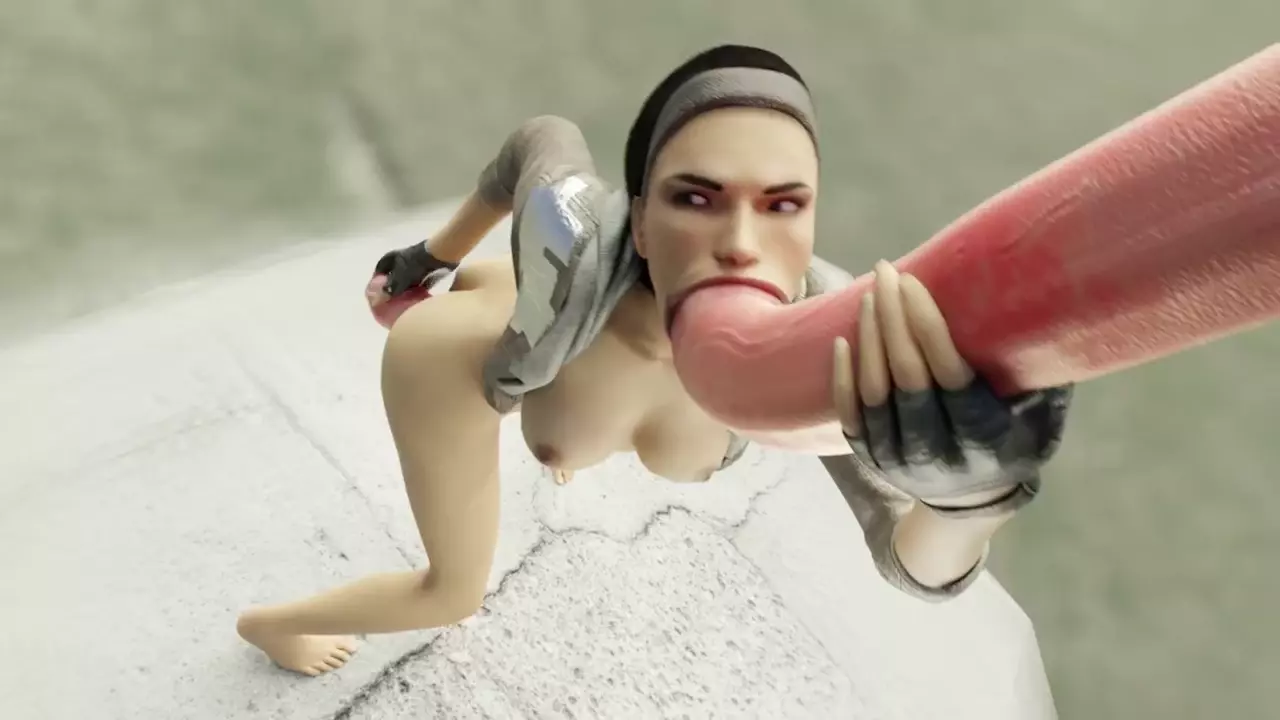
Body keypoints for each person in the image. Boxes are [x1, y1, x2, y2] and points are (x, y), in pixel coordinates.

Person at [235, 44, 1072, 676]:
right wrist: (428, 257)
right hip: (459, 357)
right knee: (453, 594)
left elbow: (903, 554)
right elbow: (538, 142)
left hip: (544, 332)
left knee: (571, 426)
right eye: (694, 198)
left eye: (783, 206)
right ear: (637, 221)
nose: (740, 244)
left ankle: (567, 423)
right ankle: (272, 625)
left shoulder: (822, 348)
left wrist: (971, 503)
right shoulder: (571, 233)